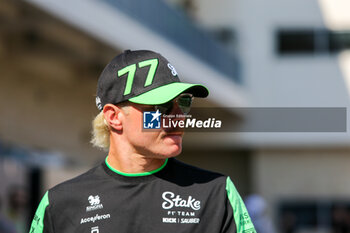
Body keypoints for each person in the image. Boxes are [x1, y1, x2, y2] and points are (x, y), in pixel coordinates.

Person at [29, 50, 256, 233]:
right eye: (162, 107)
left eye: (183, 104)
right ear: (114, 117)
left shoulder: (216, 193)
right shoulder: (59, 203)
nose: (178, 118)